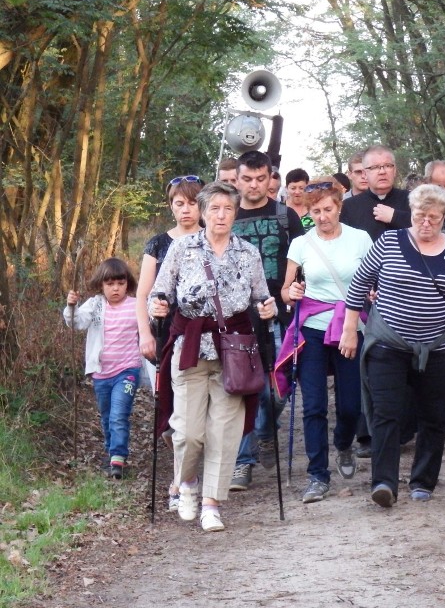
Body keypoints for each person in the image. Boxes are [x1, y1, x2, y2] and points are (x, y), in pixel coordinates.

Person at [149, 181, 277, 532]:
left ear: (235, 213)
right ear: (203, 213)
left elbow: (262, 297)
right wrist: (157, 305)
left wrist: (269, 309)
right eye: (215, 209)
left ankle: (212, 503)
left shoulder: (248, 252)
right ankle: (186, 483)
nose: (221, 215)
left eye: (228, 209)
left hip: (234, 350)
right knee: (188, 432)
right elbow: (159, 291)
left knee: (224, 431)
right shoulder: (181, 248)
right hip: (189, 348)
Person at [340, 184, 445, 507]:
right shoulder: (389, 241)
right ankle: (384, 482)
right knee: (387, 413)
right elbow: (359, 283)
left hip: (438, 348)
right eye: (419, 216)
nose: (425, 223)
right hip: (388, 343)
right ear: (410, 214)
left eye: (433, 217)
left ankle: (423, 481)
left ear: (444, 217)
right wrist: (348, 329)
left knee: (432, 415)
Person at [278, 180, 373, 503]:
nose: (322, 217)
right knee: (314, 405)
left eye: (328, 210)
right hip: (313, 329)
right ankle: (318, 475)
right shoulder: (301, 244)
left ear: (340, 207)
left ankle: (344, 443)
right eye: (315, 211)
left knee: (350, 405)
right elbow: (286, 290)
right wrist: (291, 293)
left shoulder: (360, 239)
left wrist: (372, 292)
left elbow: (374, 279)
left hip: (350, 326)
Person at [230, 150, 305, 491]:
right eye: (247, 179)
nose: (254, 185)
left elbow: (301, 260)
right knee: (243, 389)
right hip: (238, 317)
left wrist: (297, 292)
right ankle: (242, 462)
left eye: (261, 179)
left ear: (270, 178)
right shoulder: (226, 216)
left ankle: (265, 430)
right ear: (237, 179)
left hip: (280, 312)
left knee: (279, 386)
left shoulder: (285, 215)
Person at [340, 144, 412, 457]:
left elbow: (428, 231)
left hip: (408, 297)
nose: (382, 172)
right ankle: (366, 433)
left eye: (387, 166)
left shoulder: (411, 202)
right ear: (364, 173)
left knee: (404, 367)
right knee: (366, 367)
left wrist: (395, 216)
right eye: (375, 167)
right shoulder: (351, 207)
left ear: (395, 170)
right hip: (363, 298)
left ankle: (404, 430)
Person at [136, 175, 203, 509]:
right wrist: (146, 332)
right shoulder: (158, 244)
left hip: (202, 337)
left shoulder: (212, 241)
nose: (186, 210)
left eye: (192, 203)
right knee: (169, 415)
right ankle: (181, 476)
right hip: (163, 337)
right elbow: (142, 294)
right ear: (171, 206)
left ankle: (183, 480)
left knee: (192, 415)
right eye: (180, 203)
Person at [64, 258, 141, 480]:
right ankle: (111, 453)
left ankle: (118, 458)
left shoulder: (136, 305)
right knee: (107, 416)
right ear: (101, 285)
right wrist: (71, 306)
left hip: (128, 371)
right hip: (101, 374)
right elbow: (76, 322)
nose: (115, 288)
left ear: (128, 283)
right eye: (110, 284)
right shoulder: (95, 305)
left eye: (120, 283)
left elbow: (152, 324)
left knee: (119, 414)